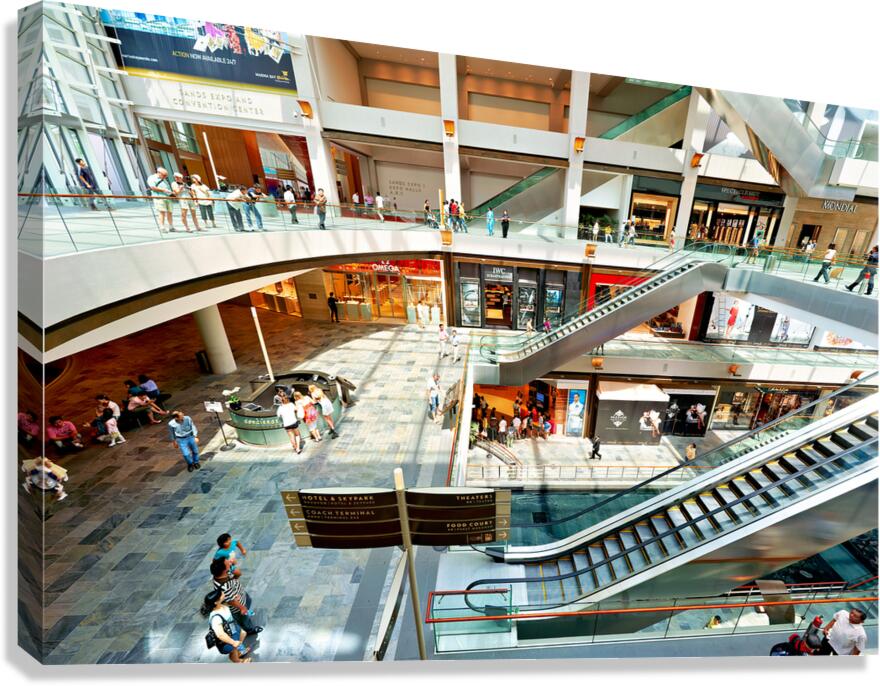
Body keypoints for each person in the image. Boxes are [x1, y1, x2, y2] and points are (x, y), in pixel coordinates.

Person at [210, 557, 263, 635]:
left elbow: (238, 574)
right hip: (237, 608)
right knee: (244, 620)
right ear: (224, 570)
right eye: (228, 563)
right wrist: (242, 608)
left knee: (248, 602)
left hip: (240, 595)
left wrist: (231, 566)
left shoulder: (223, 574)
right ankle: (250, 630)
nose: (230, 562)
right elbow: (231, 601)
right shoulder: (224, 587)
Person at [201, 589, 251, 663]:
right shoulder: (216, 618)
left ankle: (238, 651)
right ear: (216, 602)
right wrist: (233, 643)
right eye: (221, 594)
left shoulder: (220, 605)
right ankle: (236, 659)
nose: (223, 593)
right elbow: (220, 634)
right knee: (234, 647)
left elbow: (227, 605)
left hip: (232, 629)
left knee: (243, 633)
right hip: (227, 638)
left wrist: (235, 599)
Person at [147, 167, 174, 232]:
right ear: (158, 173)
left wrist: (171, 193)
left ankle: (171, 227)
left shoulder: (164, 179)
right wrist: (164, 190)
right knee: (162, 212)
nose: (165, 177)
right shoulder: (152, 178)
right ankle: (162, 227)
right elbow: (153, 187)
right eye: (164, 175)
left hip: (167, 197)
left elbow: (167, 188)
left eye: (166, 175)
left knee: (170, 212)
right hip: (159, 197)